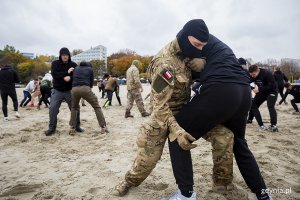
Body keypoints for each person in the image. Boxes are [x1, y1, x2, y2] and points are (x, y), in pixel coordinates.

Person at [112, 19, 234, 198]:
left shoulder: (188, 53)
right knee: (147, 159)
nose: (200, 50)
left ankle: (222, 185)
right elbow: (159, 105)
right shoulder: (165, 64)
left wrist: (203, 66)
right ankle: (129, 181)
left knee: (225, 137)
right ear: (184, 38)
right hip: (163, 115)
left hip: (186, 111)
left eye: (203, 46)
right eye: (197, 45)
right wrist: (176, 131)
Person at [163, 20, 272, 200]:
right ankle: (263, 194)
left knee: (177, 133)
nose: (198, 46)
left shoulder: (191, 42)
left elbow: (190, 70)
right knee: (239, 143)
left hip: (221, 90)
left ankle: (185, 194)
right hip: (243, 92)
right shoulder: (217, 45)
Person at [45, 47, 84, 136]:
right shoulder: (55, 63)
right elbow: (54, 74)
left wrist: (71, 77)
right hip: (57, 90)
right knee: (53, 108)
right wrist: (66, 74)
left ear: (69, 55)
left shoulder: (73, 64)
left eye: (66, 55)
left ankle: (77, 126)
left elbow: (77, 75)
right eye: (63, 55)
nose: (65, 57)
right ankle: (52, 128)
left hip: (70, 90)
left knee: (75, 108)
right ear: (60, 56)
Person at [69, 61, 107, 135]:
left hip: (74, 89)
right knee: (96, 107)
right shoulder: (90, 69)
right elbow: (91, 82)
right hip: (85, 88)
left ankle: (72, 128)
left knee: (74, 107)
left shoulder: (76, 68)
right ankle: (103, 127)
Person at [247, 65, 278, 132]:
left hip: (272, 91)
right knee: (254, 104)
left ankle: (274, 125)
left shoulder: (267, 73)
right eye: (251, 75)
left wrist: (259, 89)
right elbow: (250, 82)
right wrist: (253, 88)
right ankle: (249, 119)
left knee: (270, 106)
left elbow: (272, 85)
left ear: (258, 70)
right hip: (262, 92)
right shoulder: (251, 75)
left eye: (253, 74)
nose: (252, 76)